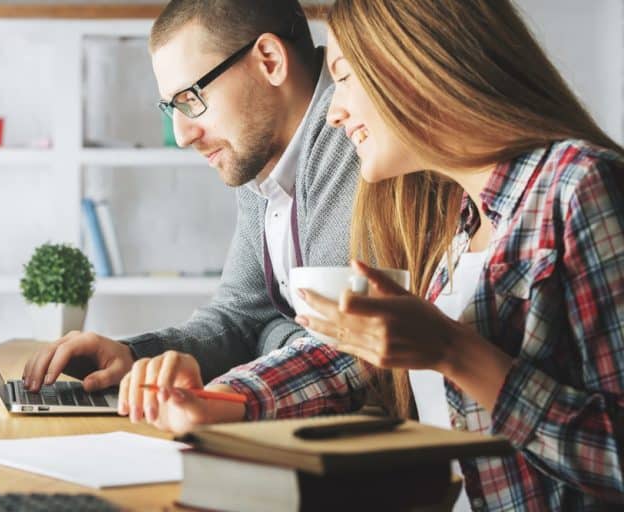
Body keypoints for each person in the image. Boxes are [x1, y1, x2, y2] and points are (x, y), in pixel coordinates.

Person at [123, 0, 624, 509]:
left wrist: (456, 353)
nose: (332, 112)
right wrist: (219, 399)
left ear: (415, 69)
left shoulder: (578, 185)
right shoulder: (459, 219)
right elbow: (353, 357)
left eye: (343, 78)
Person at [21, 0, 360, 398]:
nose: (182, 135)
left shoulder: (351, 132)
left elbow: (339, 353)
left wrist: (271, 334)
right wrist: (132, 355)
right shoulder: (262, 154)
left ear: (269, 61)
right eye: (173, 107)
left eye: (191, 98)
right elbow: (239, 319)